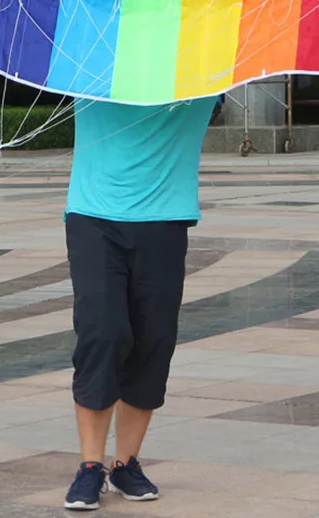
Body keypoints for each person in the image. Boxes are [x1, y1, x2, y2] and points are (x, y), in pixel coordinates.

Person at [63, 95, 216, 511]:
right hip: (94, 217)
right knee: (102, 333)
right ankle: (90, 466)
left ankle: (125, 464)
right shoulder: (92, 68)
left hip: (165, 219)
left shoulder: (200, 75)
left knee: (154, 340)